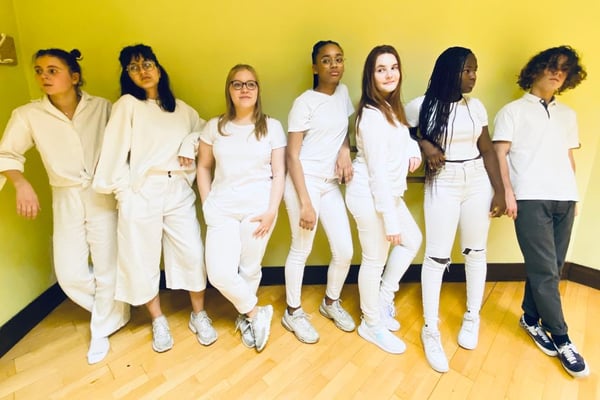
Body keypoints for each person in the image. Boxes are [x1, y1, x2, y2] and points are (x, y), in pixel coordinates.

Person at [0, 48, 129, 364]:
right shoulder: (28, 115)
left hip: (102, 192)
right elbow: (7, 154)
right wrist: (21, 184)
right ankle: (113, 312)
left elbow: (124, 145)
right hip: (65, 195)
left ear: (74, 76)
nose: (44, 76)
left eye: (52, 70)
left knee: (108, 263)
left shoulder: (102, 107)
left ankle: (101, 329)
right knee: (69, 272)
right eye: (39, 70)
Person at [93, 44, 217, 353]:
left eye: (147, 64)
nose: (142, 71)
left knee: (192, 251)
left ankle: (199, 313)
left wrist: (188, 144)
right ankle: (158, 319)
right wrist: (124, 191)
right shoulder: (127, 105)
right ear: (127, 75)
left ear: (159, 69)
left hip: (178, 189)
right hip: (141, 191)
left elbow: (205, 132)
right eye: (133, 67)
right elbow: (114, 150)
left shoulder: (181, 109)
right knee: (141, 256)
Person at [405, 47, 505, 372]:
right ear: (450, 71)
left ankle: (472, 316)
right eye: (468, 70)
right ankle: (430, 329)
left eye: (476, 69)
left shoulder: (475, 107)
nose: (474, 76)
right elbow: (403, 134)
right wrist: (425, 144)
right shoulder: (420, 106)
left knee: (476, 251)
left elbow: (487, 150)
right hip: (443, 181)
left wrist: (500, 190)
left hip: (477, 179)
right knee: (436, 256)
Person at [493, 45, 589, 378]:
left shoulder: (568, 115)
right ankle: (562, 339)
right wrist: (507, 193)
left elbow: (568, 157)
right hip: (530, 198)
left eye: (564, 69)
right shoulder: (512, 112)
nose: (557, 72)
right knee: (546, 271)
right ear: (535, 70)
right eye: (551, 66)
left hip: (564, 198)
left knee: (552, 267)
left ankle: (531, 319)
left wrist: (573, 195)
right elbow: (500, 155)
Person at [196, 64, 285, 352]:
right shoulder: (214, 127)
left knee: (249, 268)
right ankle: (256, 312)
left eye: (250, 84)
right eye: (237, 84)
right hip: (221, 208)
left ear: (258, 90)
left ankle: (246, 318)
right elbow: (203, 167)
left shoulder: (272, 127)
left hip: (259, 209)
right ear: (229, 90)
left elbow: (279, 173)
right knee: (219, 273)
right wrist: (207, 203)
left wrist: (272, 210)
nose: (244, 89)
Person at [345, 45, 422, 354]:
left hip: (388, 193)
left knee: (412, 240)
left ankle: (382, 298)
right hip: (370, 195)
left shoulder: (391, 108)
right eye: (381, 69)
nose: (389, 74)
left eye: (393, 67)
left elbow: (404, 137)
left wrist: (413, 150)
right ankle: (371, 323)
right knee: (374, 260)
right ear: (371, 76)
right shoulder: (371, 115)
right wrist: (390, 220)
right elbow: (376, 172)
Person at [282, 39, 355, 343]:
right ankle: (292, 312)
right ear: (315, 67)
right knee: (301, 249)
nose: (334, 64)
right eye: (326, 60)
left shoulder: (343, 93)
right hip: (304, 181)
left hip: (329, 184)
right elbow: (292, 155)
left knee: (345, 251)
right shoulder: (304, 102)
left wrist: (345, 150)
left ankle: (330, 302)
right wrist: (305, 203)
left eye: (338, 58)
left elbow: (341, 132)